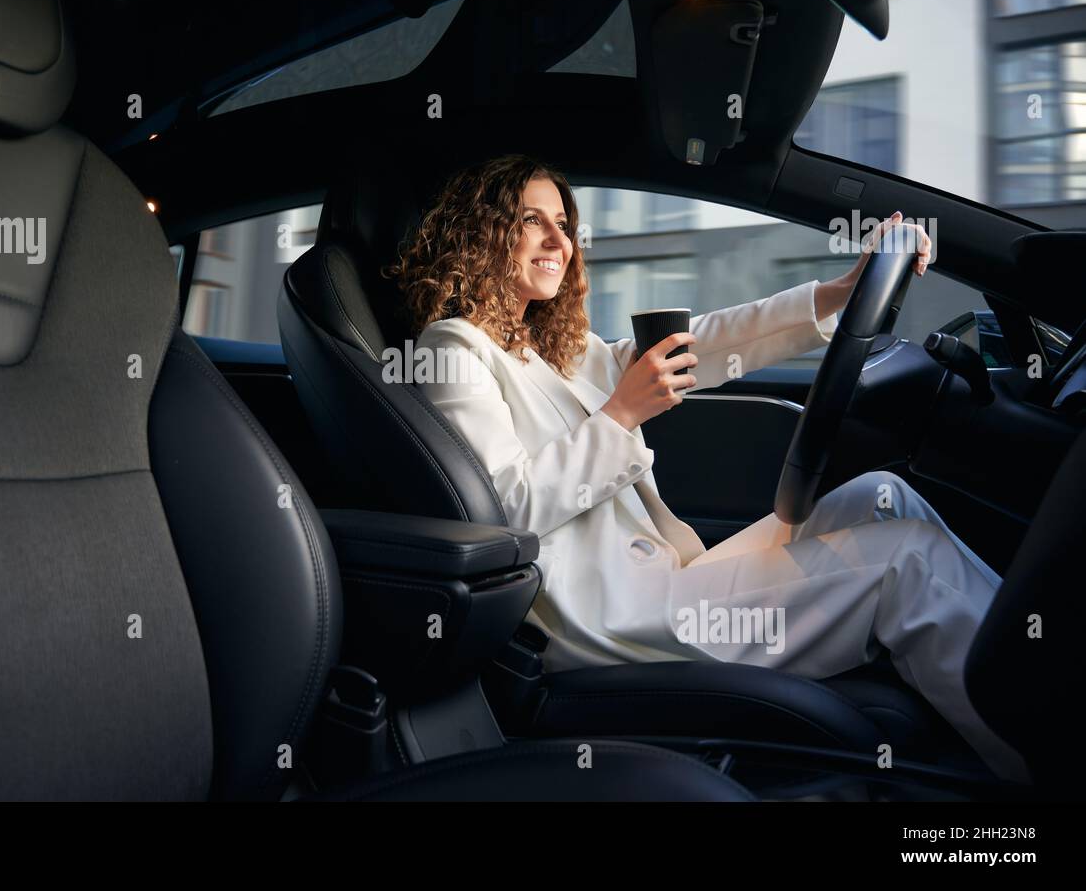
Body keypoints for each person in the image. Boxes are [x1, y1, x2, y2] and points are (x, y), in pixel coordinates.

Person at [390, 153, 1028, 784]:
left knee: (882, 496)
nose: (561, 240)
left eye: (564, 221)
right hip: (612, 614)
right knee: (906, 566)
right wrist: (620, 415)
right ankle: (1047, 750)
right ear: (482, 233)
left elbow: (701, 343)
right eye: (533, 221)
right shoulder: (455, 349)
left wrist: (835, 297)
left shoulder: (549, 345)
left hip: (669, 575)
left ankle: (1039, 677)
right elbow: (504, 513)